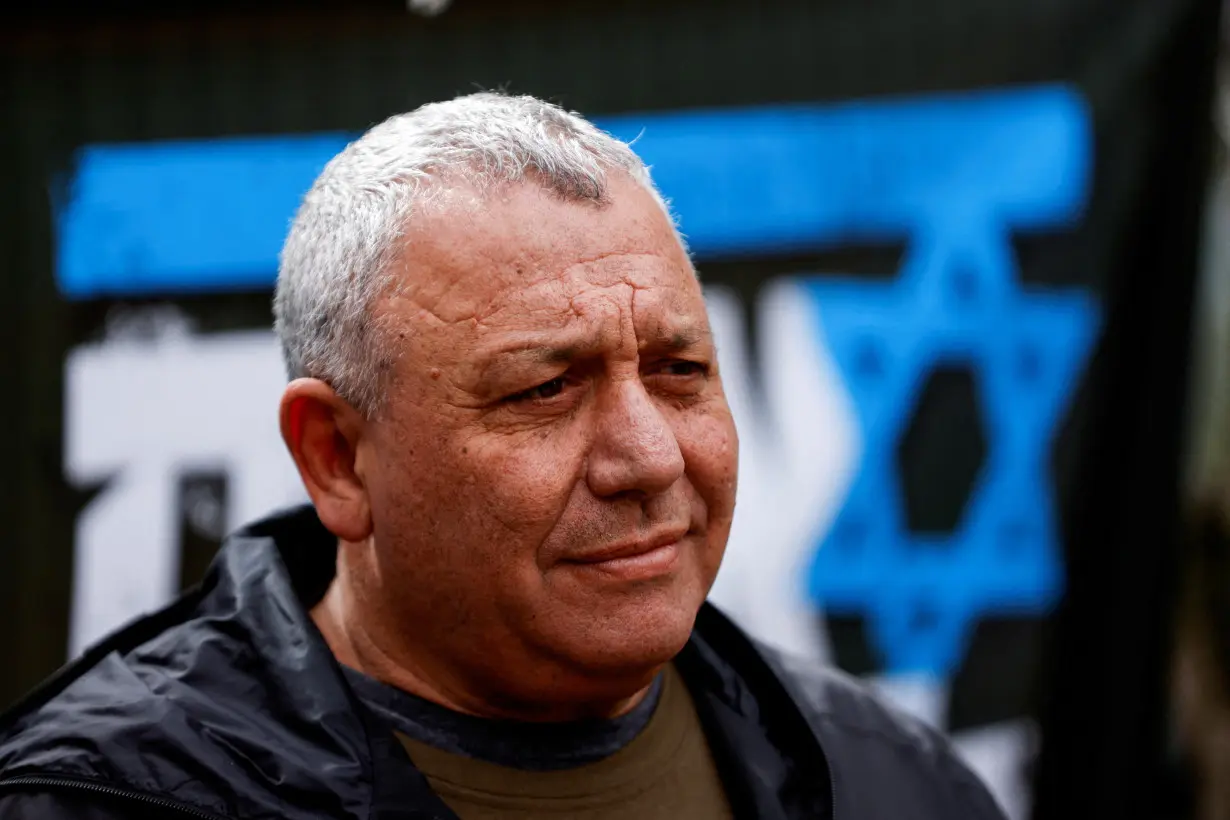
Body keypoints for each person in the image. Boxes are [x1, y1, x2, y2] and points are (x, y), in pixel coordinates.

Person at [0, 92, 1005, 819]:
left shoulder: (885, 775)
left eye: (680, 369)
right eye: (545, 389)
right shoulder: (100, 799)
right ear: (339, 458)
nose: (648, 458)